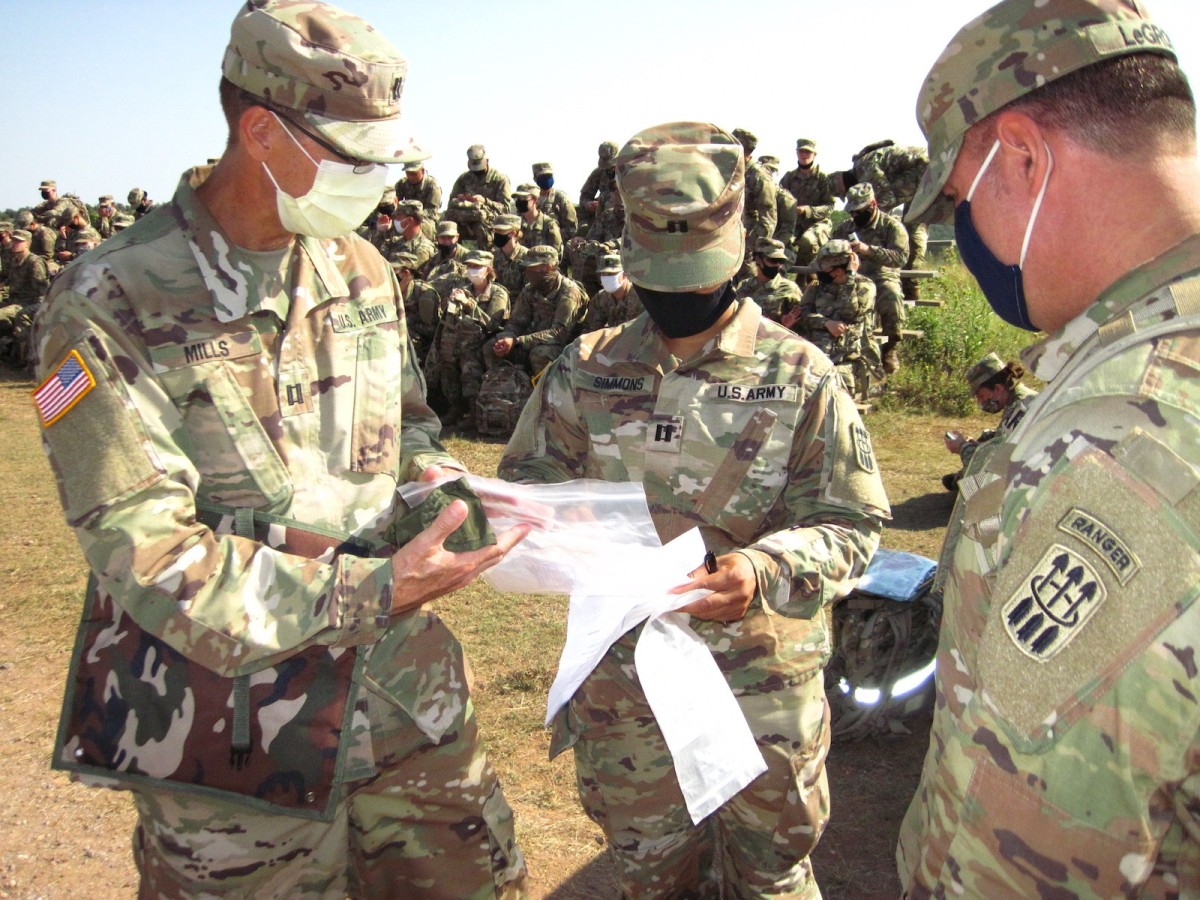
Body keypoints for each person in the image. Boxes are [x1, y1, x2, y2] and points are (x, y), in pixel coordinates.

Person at [32, 2, 529, 895]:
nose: (383, 178)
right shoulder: (110, 301)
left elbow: (406, 430)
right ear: (262, 131)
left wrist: (440, 486)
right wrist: (372, 586)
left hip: (405, 700)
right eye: (356, 155)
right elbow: (142, 549)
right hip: (239, 738)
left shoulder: (359, 265)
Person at [498, 121, 889, 897]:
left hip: (760, 691)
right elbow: (527, 488)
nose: (675, 296)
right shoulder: (586, 368)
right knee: (650, 874)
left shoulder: (800, 373)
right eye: (659, 278)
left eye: (695, 276)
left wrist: (762, 564)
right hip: (626, 691)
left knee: (769, 876)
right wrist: (542, 520)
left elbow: (852, 523)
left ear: (734, 255)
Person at [895, 1, 1200, 895]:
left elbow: (1027, 853)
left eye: (958, 201)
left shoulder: (1128, 435)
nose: (964, 235)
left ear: (1020, 158)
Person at [785, 238, 877, 400]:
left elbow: (851, 313)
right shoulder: (816, 287)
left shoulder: (865, 286)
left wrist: (849, 278)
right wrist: (826, 323)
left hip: (847, 357)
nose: (818, 274)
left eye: (822, 270)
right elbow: (802, 314)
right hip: (816, 354)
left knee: (831, 392)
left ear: (839, 271)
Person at [832, 182, 908, 374]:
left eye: (859, 211)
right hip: (852, 276)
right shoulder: (845, 228)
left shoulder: (891, 227)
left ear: (872, 205)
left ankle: (890, 347)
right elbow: (830, 249)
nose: (855, 216)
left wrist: (869, 250)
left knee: (892, 296)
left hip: (881, 276)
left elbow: (900, 257)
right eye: (852, 212)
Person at [940, 353, 1037, 491]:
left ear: (997, 388)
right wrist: (982, 445)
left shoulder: (1020, 408)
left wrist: (962, 447)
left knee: (973, 488)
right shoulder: (1020, 399)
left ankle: (960, 480)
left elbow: (991, 465)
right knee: (987, 439)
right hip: (1031, 468)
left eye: (981, 395)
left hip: (1031, 479)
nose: (980, 401)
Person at [488, 244, 586, 377]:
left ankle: (543, 394)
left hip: (566, 346)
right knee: (491, 345)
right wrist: (508, 337)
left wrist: (518, 341)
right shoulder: (530, 289)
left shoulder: (569, 292)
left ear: (548, 267)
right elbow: (516, 322)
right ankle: (503, 390)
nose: (528, 271)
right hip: (532, 340)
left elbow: (558, 334)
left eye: (533, 267)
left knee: (539, 353)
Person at [733, 237, 801, 323]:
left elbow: (800, 324)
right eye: (773, 260)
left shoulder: (790, 290)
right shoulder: (743, 285)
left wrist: (785, 326)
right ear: (758, 259)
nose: (777, 265)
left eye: (781, 261)